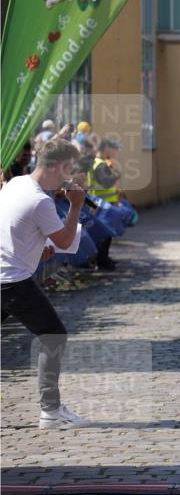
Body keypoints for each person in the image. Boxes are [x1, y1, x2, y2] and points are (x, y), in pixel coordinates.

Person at [0, 138, 90, 429]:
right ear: (59, 166)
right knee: (53, 335)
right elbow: (64, 240)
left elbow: (15, 229)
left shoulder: (16, 184)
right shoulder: (41, 200)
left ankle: (51, 409)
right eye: (70, 169)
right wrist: (75, 205)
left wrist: (36, 248)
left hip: (5, 274)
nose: (71, 175)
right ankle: (50, 411)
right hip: (13, 281)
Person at [87, 138, 123, 270]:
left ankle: (103, 259)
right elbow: (105, 182)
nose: (114, 151)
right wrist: (117, 174)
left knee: (104, 234)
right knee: (105, 235)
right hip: (102, 204)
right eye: (112, 148)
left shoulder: (98, 163)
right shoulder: (100, 164)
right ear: (106, 148)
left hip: (100, 203)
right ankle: (102, 261)